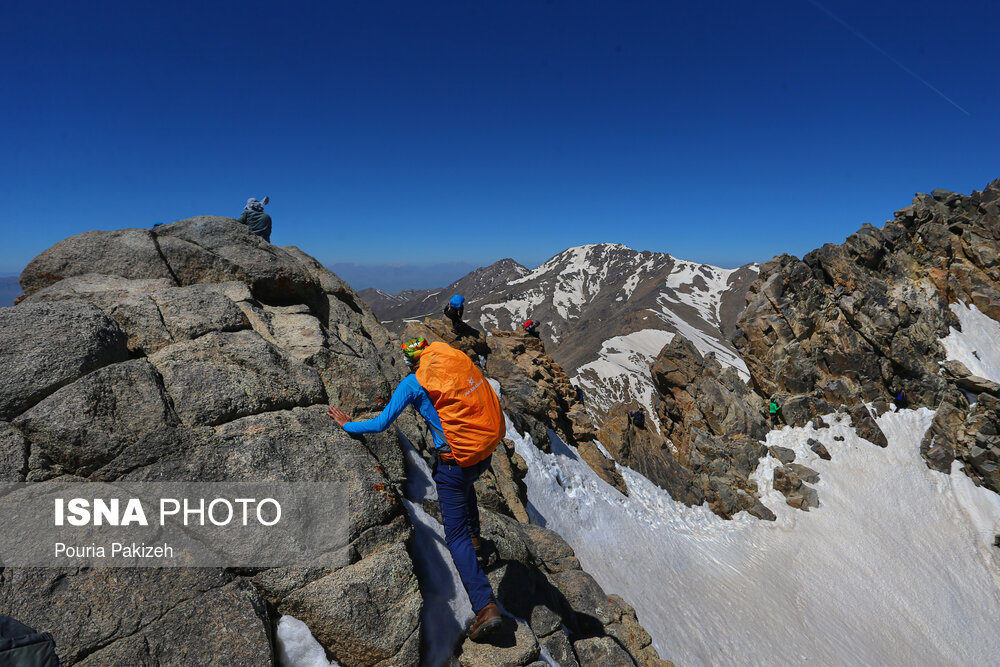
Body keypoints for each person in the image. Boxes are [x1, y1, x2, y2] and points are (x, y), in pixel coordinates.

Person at [327, 337, 505, 641]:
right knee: (467, 489)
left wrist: (348, 425)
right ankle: (476, 536)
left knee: (455, 536)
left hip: (453, 464)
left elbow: (382, 423)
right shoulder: (454, 366)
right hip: (482, 454)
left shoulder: (413, 383)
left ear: (411, 361)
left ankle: (485, 607)